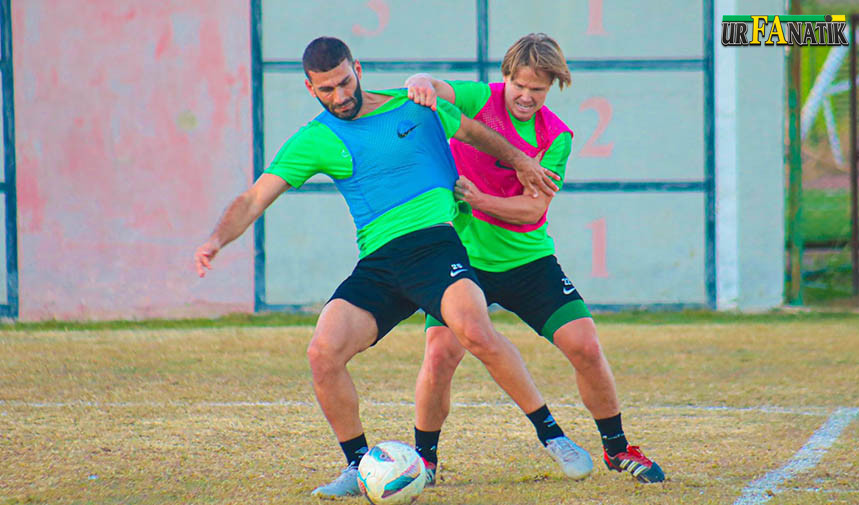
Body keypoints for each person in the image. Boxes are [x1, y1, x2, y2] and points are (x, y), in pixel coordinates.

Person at [193, 36, 593, 498]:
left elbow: (474, 132)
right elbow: (253, 198)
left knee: (475, 331)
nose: (340, 96)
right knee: (323, 353)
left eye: (345, 82)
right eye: (327, 90)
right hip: (380, 263)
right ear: (310, 88)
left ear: (357, 69)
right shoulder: (315, 139)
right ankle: (359, 465)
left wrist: (522, 160)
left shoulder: (414, 106)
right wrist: (216, 239)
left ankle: (552, 435)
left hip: (435, 246)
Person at [405, 33, 665, 484]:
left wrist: (477, 199)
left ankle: (617, 448)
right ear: (506, 77)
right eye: (519, 85)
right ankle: (424, 461)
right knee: (439, 353)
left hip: (529, 261)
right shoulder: (479, 98)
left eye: (538, 89)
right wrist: (419, 82)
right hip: (462, 261)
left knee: (585, 345)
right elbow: (431, 85)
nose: (525, 96)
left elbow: (532, 211)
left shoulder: (556, 136)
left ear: (553, 87)